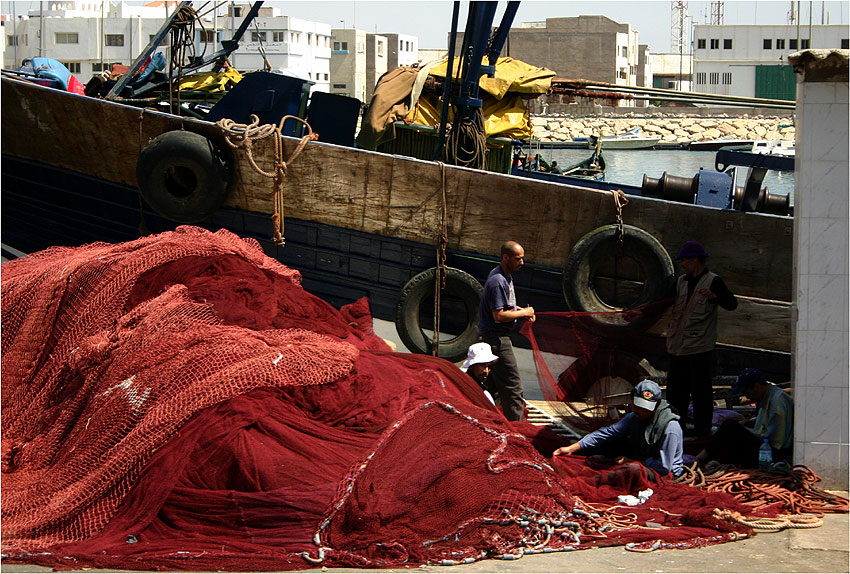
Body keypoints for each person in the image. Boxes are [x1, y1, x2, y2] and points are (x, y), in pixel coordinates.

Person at [664, 240, 737, 437]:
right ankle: (676, 432)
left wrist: (714, 297)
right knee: (676, 394)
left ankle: (702, 434)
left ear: (696, 260)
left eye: (685, 260)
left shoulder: (714, 281)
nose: (682, 264)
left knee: (701, 395)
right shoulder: (680, 282)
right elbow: (662, 302)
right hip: (678, 349)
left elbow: (732, 304)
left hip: (699, 350)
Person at [553, 380, 684, 479]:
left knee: (632, 470)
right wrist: (572, 448)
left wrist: (632, 461)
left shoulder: (670, 427)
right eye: (637, 405)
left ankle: (597, 480)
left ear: (656, 406)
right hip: (642, 456)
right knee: (609, 443)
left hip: (662, 472)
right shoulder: (633, 417)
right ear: (632, 401)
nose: (640, 410)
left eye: (646, 408)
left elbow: (664, 466)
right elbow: (606, 433)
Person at [478, 241, 535, 421]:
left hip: (496, 337)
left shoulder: (505, 276)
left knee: (492, 385)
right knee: (513, 386)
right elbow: (499, 315)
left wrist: (521, 312)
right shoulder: (497, 281)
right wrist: (524, 312)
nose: (522, 262)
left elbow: (506, 305)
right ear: (505, 257)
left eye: (522, 258)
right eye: (518, 259)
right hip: (496, 339)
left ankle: (481, 416)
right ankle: (518, 429)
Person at [696, 368, 793, 468]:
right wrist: (746, 423)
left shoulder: (778, 402)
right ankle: (710, 461)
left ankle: (699, 459)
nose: (748, 398)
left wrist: (740, 431)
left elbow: (774, 441)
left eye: (748, 393)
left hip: (773, 454)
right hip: (766, 447)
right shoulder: (767, 397)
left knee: (729, 426)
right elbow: (765, 422)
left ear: (757, 386)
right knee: (730, 430)